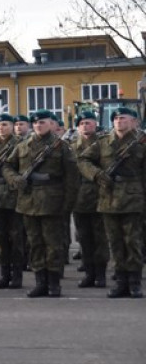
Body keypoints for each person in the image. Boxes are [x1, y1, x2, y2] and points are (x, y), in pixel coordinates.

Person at [2, 110, 78, 298]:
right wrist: (15, 179)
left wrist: (67, 204)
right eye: (35, 123)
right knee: (34, 243)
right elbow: (6, 166)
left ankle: (53, 283)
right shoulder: (22, 146)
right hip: (28, 201)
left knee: (52, 244)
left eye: (42, 122)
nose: (38, 125)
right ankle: (40, 282)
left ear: (51, 124)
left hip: (53, 201)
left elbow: (72, 178)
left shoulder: (61, 146)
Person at [77, 106, 145, 298]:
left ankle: (134, 282)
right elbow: (83, 160)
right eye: (115, 119)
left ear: (133, 121)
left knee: (132, 242)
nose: (119, 121)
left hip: (133, 198)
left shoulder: (141, 143)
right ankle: (121, 281)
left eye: (123, 118)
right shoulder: (103, 142)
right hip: (109, 198)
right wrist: (97, 175)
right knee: (115, 243)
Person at [0, 114, 26, 289]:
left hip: (14, 195)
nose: (2, 128)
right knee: (0, 238)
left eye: (5, 124)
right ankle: (4, 273)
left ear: (12, 126)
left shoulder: (21, 145)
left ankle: (17, 275)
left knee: (16, 237)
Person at [71, 111, 109, 289]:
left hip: (101, 196)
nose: (86, 126)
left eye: (89, 122)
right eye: (82, 123)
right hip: (79, 198)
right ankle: (89, 273)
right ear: (78, 127)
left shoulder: (104, 144)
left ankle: (101, 275)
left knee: (100, 239)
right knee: (84, 239)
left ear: (95, 124)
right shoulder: (70, 147)